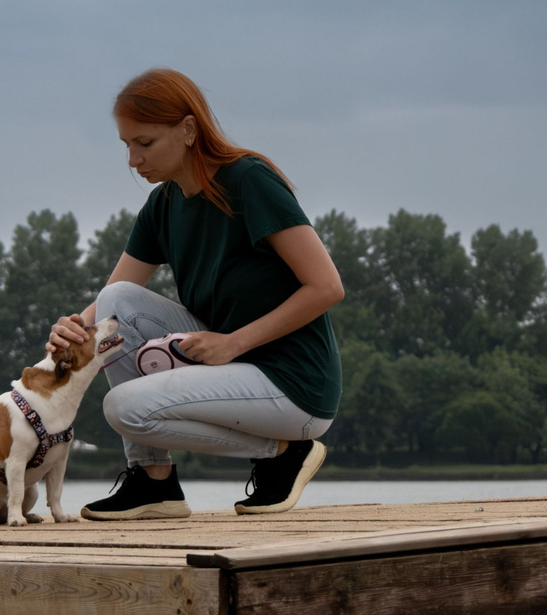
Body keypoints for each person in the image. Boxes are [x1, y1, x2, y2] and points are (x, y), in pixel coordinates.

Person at [49, 69, 344, 519]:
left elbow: (326, 287)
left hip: (293, 384)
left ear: (188, 130)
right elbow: (111, 302)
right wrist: (73, 330)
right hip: (234, 366)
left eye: (144, 143)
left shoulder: (249, 180)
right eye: (127, 145)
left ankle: (286, 451)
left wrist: (233, 343)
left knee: (123, 408)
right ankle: (154, 483)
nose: (132, 159)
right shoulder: (164, 204)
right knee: (116, 301)